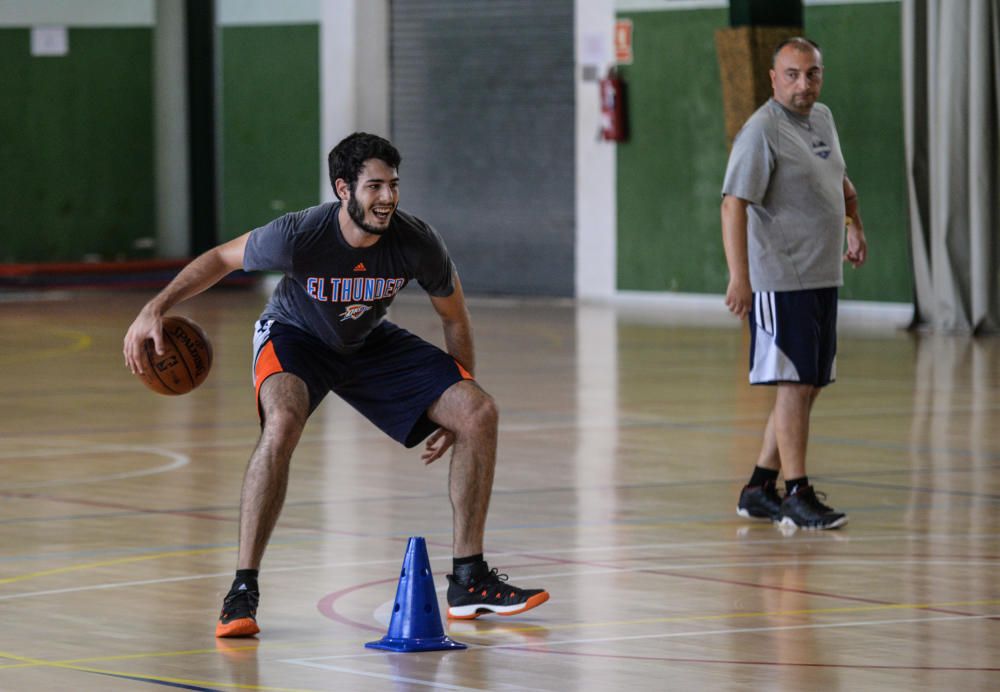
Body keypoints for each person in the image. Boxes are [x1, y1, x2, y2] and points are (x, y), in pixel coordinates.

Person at [123, 132, 549, 637]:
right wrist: (156, 307)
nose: (387, 197)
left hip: (366, 340)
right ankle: (242, 590)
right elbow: (219, 258)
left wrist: (457, 401)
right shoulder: (299, 234)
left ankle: (469, 581)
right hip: (295, 335)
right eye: (374, 186)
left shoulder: (417, 241)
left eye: (393, 185)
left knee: (479, 412)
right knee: (281, 425)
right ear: (343, 188)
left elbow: (455, 318)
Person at [720, 38, 867, 530]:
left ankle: (760, 486)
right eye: (792, 74)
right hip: (781, 279)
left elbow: (841, 182)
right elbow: (732, 203)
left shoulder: (822, 118)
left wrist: (854, 225)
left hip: (823, 274)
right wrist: (740, 277)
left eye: (812, 74)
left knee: (808, 385)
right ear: (773, 77)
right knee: (794, 383)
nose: (803, 84)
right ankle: (797, 493)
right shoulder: (762, 130)